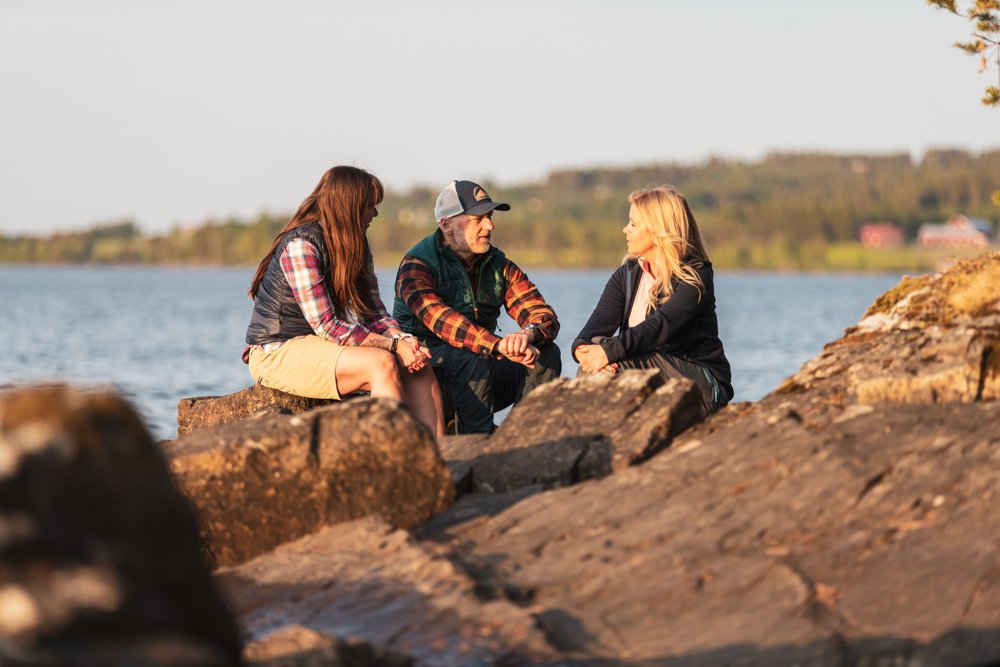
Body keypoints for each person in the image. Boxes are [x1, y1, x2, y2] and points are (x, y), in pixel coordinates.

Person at [244, 166, 445, 436]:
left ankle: (438, 458)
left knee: (418, 363)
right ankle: (391, 459)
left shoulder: (355, 245)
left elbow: (374, 313)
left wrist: (404, 341)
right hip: (278, 350)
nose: (375, 213)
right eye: (370, 205)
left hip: (318, 344)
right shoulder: (302, 246)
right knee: (380, 362)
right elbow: (328, 326)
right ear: (350, 206)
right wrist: (392, 345)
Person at [392, 180, 561, 434]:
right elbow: (441, 320)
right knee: (470, 356)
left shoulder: (499, 264)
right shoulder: (417, 264)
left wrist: (527, 334)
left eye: (490, 216)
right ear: (446, 225)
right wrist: (496, 345)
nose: (490, 225)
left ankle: (523, 438)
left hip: (479, 367)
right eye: (478, 219)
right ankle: (474, 445)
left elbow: (543, 315)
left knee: (546, 353)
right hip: (427, 375)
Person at [573, 185, 733, 416]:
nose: (625, 230)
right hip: (649, 369)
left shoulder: (696, 276)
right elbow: (591, 331)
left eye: (634, 224)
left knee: (615, 369)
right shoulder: (627, 275)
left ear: (659, 230)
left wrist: (608, 352)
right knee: (591, 372)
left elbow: (659, 328)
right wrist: (584, 351)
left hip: (702, 383)